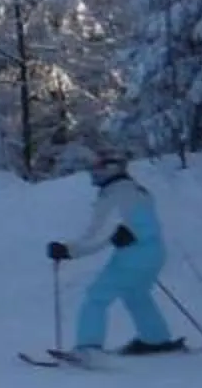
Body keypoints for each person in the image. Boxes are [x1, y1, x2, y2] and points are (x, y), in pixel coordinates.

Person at [45, 151, 184, 356]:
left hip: (134, 256)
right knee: (136, 295)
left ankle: (88, 347)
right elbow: (137, 224)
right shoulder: (138, 190)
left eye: (98, 167)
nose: (93, 172)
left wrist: (67, 250)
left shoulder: (116, 195)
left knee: (97, 297)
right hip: (152, 252)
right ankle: (156, 339)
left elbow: (100, 235)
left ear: (112, 168)